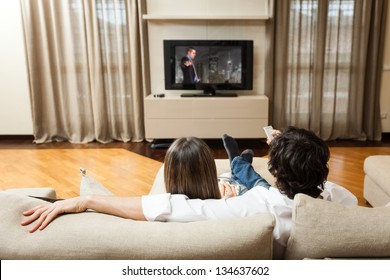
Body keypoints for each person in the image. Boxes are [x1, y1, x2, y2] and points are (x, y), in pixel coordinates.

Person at [21, 127, 357, 259]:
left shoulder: (249, 209)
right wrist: (288, 147)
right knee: (243, 174)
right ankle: (241, 161)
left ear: (277, 171)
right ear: (322, 170)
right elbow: (315, 184)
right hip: (295, 180)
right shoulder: (342, 200)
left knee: (241, 174)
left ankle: (239, 159)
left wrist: (86, 199)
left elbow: (168, 206)